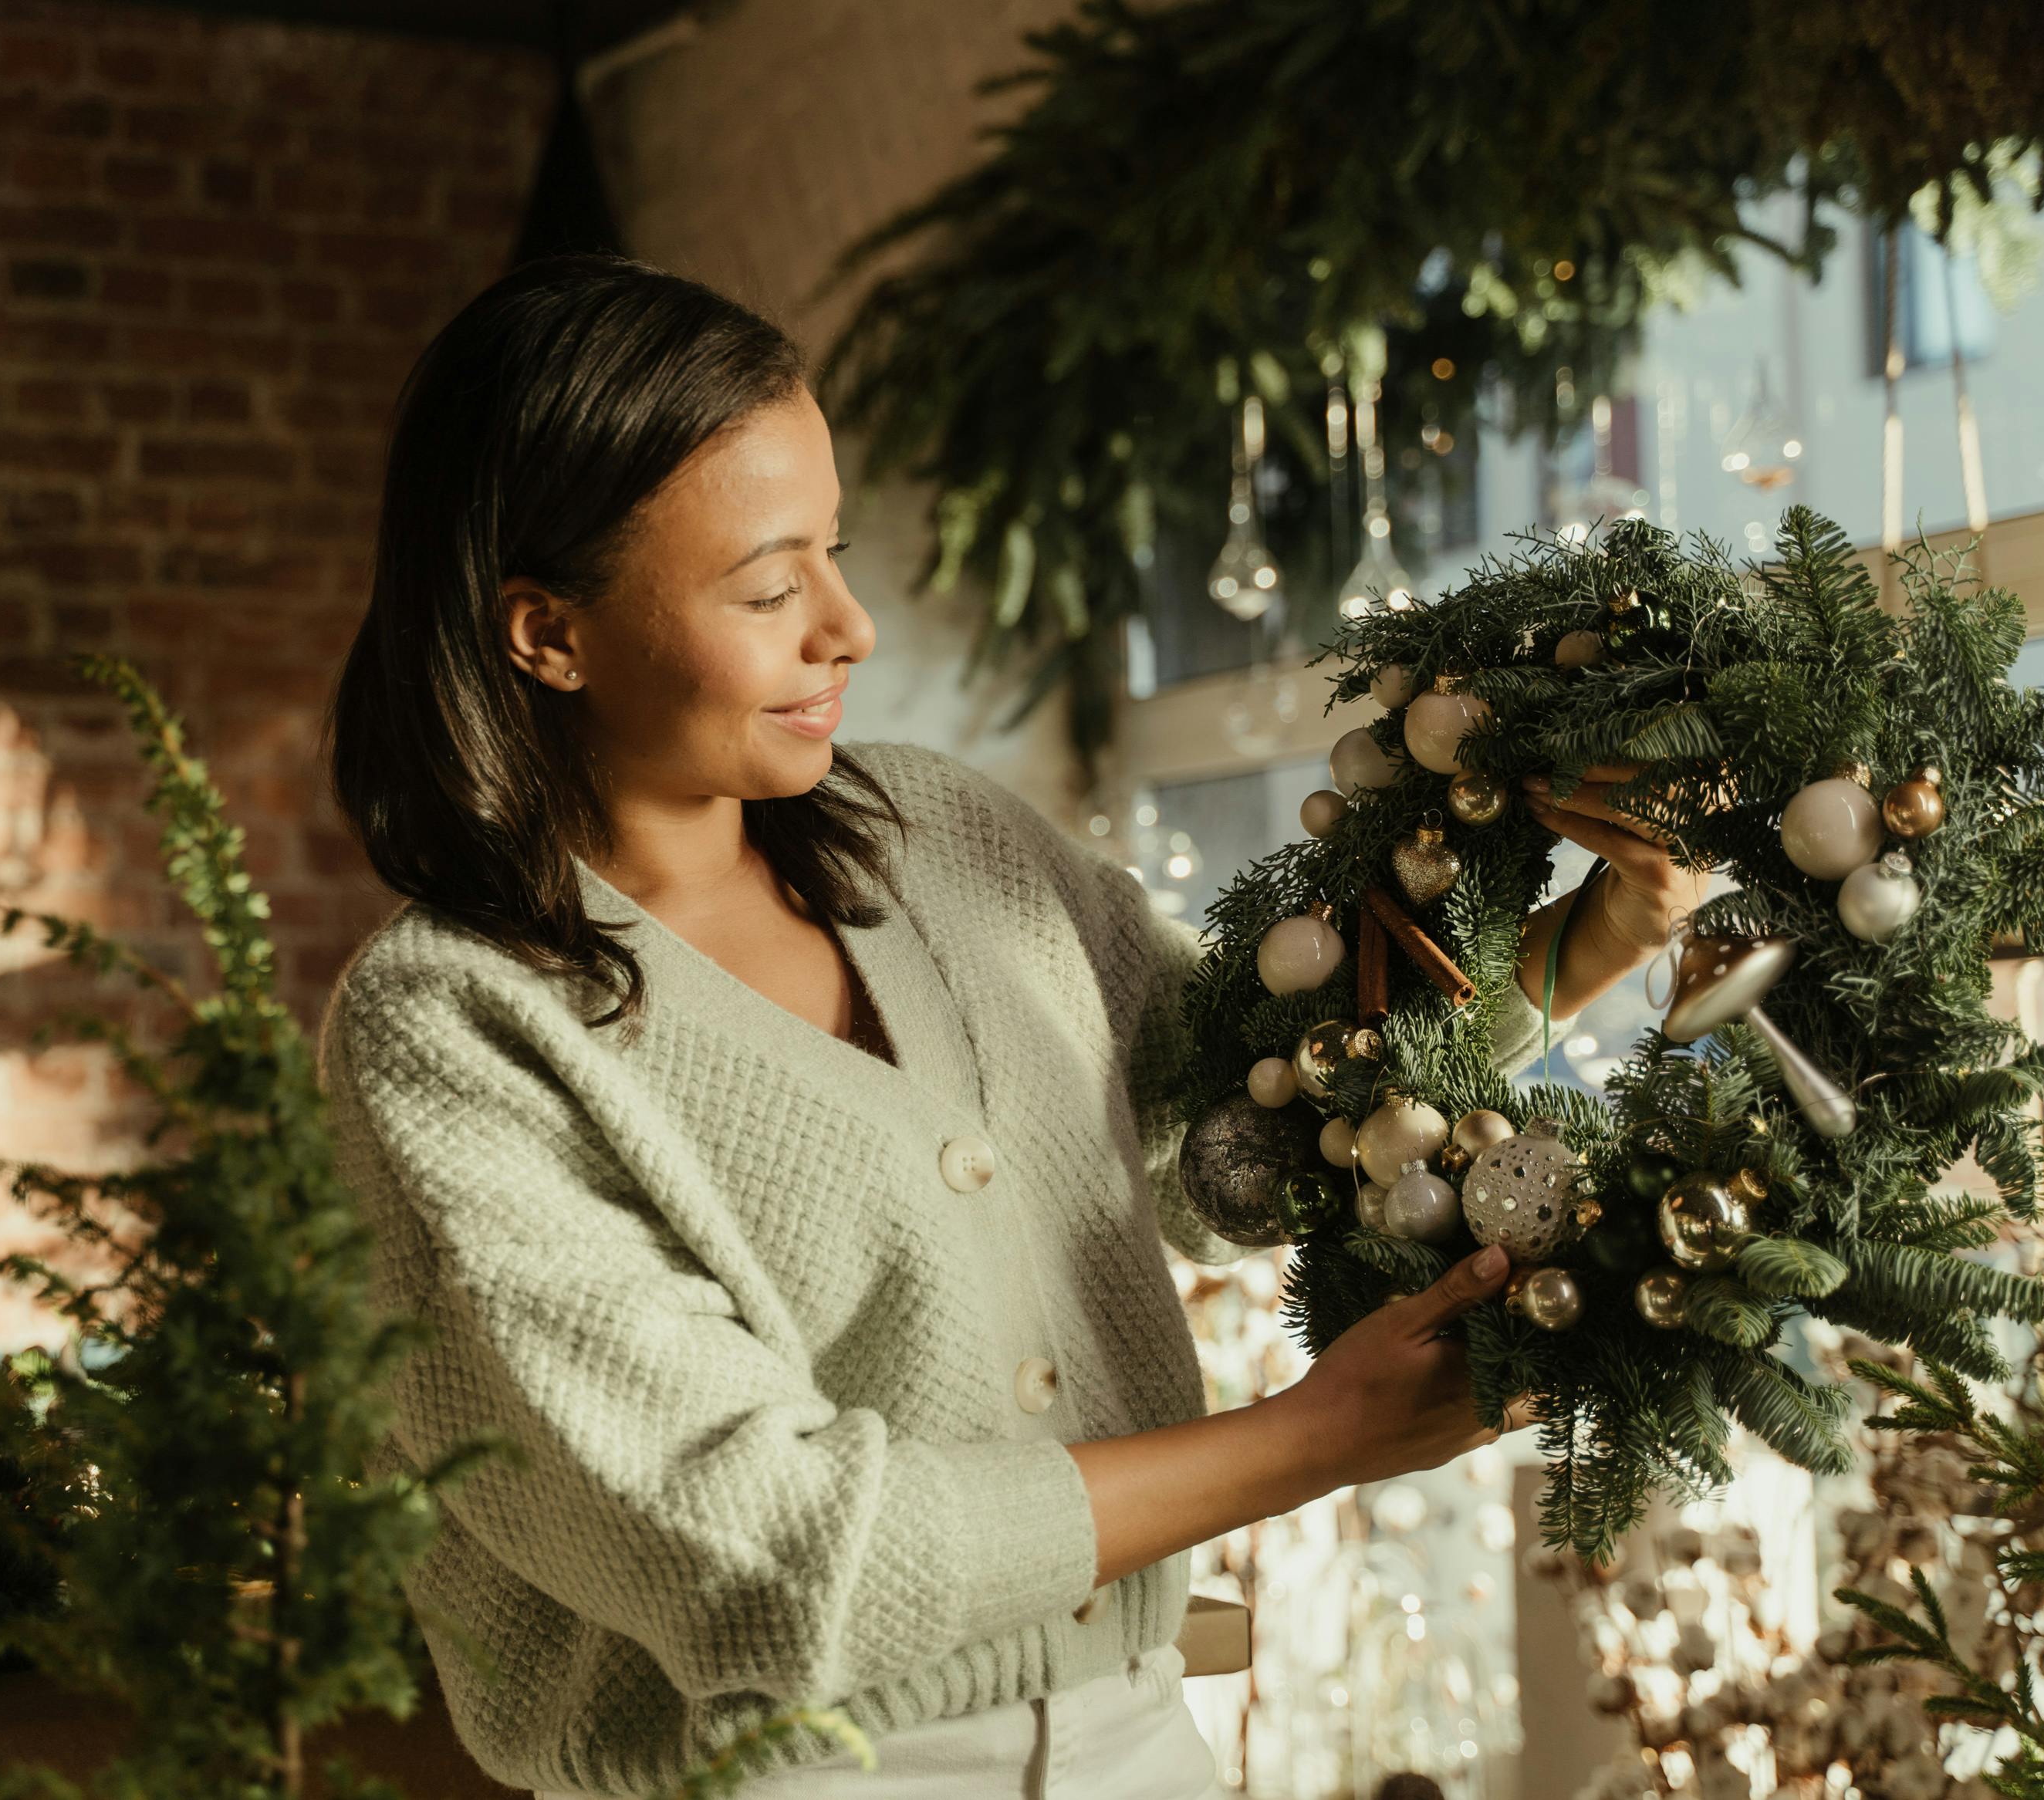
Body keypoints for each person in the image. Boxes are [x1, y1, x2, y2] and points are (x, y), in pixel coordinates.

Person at [315, 255, 1700, 1800]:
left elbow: (1229, 1135)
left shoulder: (942, 835)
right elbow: (758, 1560)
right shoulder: (453, 1027)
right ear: (545, 635)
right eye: (770, 588)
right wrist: (1313, 1440)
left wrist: (1580, 942)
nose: (845, 626)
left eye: (831, 555)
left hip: (1136, 1736)